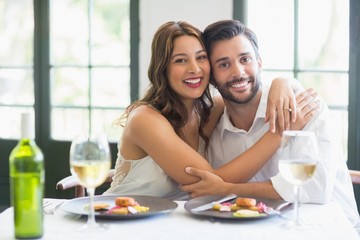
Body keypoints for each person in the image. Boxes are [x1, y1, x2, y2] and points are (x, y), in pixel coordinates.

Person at [104, 21, 317, 200]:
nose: (194, 69)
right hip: (119, 220)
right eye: (180, 60)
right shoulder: (145, 119)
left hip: (171, 224)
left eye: (201, 57)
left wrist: (283, 81)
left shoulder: (209, 110)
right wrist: (280, 132)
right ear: (163, 68)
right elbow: (211, 180)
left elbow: (247, 87)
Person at [180, 19, 360, 227]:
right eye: (224, 64)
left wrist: (226, 188)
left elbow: (313, 189)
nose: (238, 72)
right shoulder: (215, 135)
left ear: (259, 63)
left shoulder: (304, 108)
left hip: (330, 229)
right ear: (212, 77)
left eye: (245, 59)